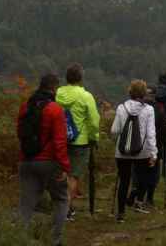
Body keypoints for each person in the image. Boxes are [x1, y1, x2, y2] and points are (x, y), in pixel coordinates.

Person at [17, 74, 70, 246]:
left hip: (26, 161)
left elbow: (20, 133)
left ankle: (18, 239)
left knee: (26, 204)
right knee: (61, 199)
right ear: (54, 88)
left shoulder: (25, 106)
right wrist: (64, 167)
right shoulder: (55, 109)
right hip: (48, 162)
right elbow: (60, 141)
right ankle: (55, 240)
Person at [55, 63, 100, 221]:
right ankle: (65, 210)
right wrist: (94, 138)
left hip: (59, 140)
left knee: (61, 174)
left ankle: (62, 206)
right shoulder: (85, 96)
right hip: (80, 142)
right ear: (81, 78)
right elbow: (94, 121)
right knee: (73, 176)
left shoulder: (58, 93)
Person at [111, 80, 157, 222]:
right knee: (142, 178)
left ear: (130, 92)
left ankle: (120, 214)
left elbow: (114, 130)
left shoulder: (121, 108)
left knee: (124, 181)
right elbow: (151, 134)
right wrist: (153, 153)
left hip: (122, 151)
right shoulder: (149, 110)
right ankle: (135, 197)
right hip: (142, 151)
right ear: (144, 94)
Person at [128, 85, 166, 209]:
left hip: (135, 146)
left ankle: (135, 191)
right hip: (154, 147)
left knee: (137, 172)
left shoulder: (135, 109)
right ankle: (148, 198)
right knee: (152, 173)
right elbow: (165, 130)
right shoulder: (158, 110)